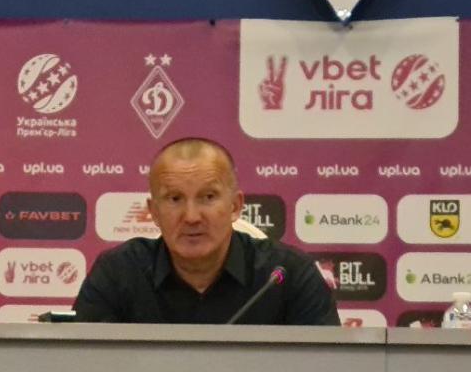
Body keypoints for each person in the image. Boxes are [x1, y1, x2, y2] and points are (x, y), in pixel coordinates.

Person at [73, 137, 338, 325]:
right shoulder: (118, 274)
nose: (191, 217)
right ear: (154, 212)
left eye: (208, 197)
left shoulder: (288, 276)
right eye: (175, 199)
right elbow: (80, 371)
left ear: (235, 206)